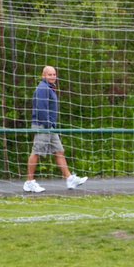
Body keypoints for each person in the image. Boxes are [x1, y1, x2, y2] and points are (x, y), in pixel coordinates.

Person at [25, 65, 87, 193]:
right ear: (43, 75)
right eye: (50, 74)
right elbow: (41, 109)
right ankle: (29, 182)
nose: (53, 76)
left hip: (50, 126)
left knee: (59, 151)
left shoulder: (49, 88)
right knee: (36, 152)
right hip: (43, 126)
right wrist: (47, 124)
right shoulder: (42, 88)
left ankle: (69, 178)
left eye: (54, 74)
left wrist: (51, 125)